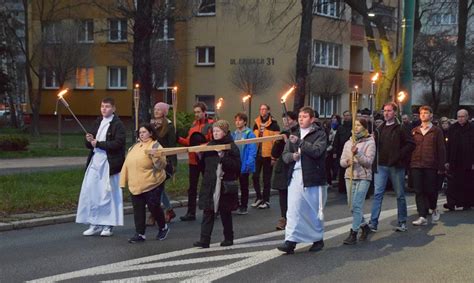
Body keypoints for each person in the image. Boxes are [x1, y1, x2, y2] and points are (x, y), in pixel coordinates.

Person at [277, 106, 328, 254]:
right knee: (293, 210)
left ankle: (317, 239)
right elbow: (285, 155)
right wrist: (292, 157)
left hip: (312, 177)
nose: (301, 119)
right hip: (295, 176)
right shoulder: (295, 134)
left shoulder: (319, 134)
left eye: (305, 116)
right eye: (300, 116)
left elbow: (317, 151)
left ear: (312, 119)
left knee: (312, 210)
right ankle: (290, 240)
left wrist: (300, 143)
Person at [76, 97, 126, 237]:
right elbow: (91, 143)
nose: (104, 109)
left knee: (107, 194)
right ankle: (95, 222)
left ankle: (108, 224)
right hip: (95, 162)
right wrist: (88, 140)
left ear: (114, 109)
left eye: (107, 106)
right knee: (92, 191)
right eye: (102, 106)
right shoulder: (98, 122)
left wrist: (99, 144)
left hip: (110, 163)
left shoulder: (118, 125)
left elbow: (118, 144)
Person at [193, 120, 241, 248]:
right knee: (208, 212)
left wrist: (223, 157)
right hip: (210, 183)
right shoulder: (210, 145)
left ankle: (229, 238)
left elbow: (236, 166)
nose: (215, 133)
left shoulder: (231, 146)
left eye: (218, 131)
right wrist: (200, 157)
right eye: (213, 131)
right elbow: (204, 166)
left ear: (224, 132)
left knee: (225, 212)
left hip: (224, 184)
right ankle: (204, 240)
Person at [368, 102, 415, 233]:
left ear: (394, 113)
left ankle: (402, 221)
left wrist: (399, 156)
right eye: (385, 111)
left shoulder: (400, 128)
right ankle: (373, 222)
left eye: (389, 111)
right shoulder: (379, 128)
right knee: (378, 194)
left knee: (400, 195)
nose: (386, 113)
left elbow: (410, 144)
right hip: (381, 165)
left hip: (395, 165)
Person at [120, 123, 170, 243]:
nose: (142, 134)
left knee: (154, 206)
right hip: (135, 184)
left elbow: (161, 165)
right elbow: (127, 165)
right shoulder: (133, 147)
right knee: (138, 209)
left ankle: (163, 227)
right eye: (140, 132)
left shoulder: (156, 145)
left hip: (152, 182)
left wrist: (156, 157)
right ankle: (140, 234)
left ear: (151, 133)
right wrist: (122, 181)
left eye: (144, 132)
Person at [340, 117, 375, 244]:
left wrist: (358, 154)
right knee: (352, 207)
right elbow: (342, 161)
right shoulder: (348, 142)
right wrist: (347, 162)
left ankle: (353, 233)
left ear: (365, 128)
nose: (356, 128)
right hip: (349, 176)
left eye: (359, 125)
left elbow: (368, 162)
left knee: (357, 206)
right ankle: (365, 226)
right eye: (355, 125)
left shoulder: (370, 142)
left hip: (363, 177)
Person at [410, 106, 446, 226]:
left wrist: (441, 166)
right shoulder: (415, 130)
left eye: (426, 113)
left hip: (431, 164)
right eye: (421, 113)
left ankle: (433, 206)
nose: (423, 115)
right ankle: (422, 215)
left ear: (431, 115)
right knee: (419, 190)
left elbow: (441, 149)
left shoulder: (436, 131)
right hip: (416, 163)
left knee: (431, 189)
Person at [178, 102, 214, 221]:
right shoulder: (193, 125)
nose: (196, 114)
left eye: (198, 112)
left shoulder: (210, 125)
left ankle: (211, 209)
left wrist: (201, 146)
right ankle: (191, 212)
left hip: (205, 159)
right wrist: (178, 138)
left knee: (208, 185)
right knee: (192, 187)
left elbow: (212, 141)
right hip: (193, 160)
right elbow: (190, 142)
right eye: (195, 112)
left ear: (204, 112)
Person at [271, 111, 298, 230]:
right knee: (283, 194)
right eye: (284, 121)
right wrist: (279, 142)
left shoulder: (299, 133)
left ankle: (294, 218)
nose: (286, 123)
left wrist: (289, 141)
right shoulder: (282, 133)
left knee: (294, 195)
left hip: (294, 166)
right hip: (283, 167)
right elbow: (275, 153)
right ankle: (284, 217)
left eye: (288, 120)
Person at [444, 109, 474, 211]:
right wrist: (447, 160)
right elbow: (448, 145)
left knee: (468, 183)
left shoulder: (472, 128)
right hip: (454, 160)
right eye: (459, 117)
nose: (460, 119)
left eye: (463, 116)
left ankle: (467, 203)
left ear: (467, 117)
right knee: (452, 183)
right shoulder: (453, 128)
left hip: (468, 160)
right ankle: (451, 203)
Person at [251, 104, 280, 209]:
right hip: (257, 154)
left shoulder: (274, 124)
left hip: (268, 155)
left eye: (264, 109)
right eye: (261, 109)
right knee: (255, 176)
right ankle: (259, 197)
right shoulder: (256, 123)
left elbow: (277, 142)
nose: (262, 111)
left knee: (266, 179)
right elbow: (253, 138)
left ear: (268, 111)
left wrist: (274, 156)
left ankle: (266, 200)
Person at [232, 112, 257, 215]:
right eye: (236, 120)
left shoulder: (249, 133)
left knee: (244, 186)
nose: (237, 122)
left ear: (245, 121)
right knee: (233, 185)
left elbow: (252, 149)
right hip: (234, 163)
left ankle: (244, 206)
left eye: (240, 120)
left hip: (244, 163)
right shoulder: (234, 134)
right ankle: (235, 204)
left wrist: (249, 163)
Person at [333, 110, 352, 194]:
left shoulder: (353, 127)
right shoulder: (340, 127)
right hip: (341, 151)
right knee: (342, 170)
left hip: (351, 150)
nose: (346, 117)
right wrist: (335, 151)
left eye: (348, 115)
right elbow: (336, 140)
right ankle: (342, 187)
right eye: (345, 115)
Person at [325, 114, 341, 185]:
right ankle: (329, 181)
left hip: (335, 149)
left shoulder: (339, 128)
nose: (333, 120)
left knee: (335, 165)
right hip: (328, 149)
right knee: (327, 165)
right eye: (332, 118)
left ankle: (334, 177)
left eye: (335, 118)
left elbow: (337, 140)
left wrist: (335, 150)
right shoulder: (328, 127)